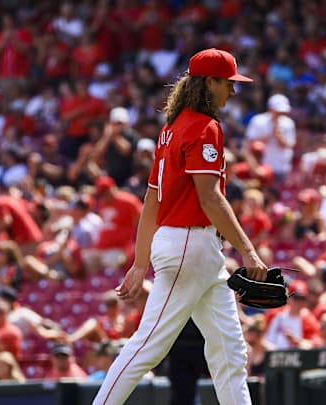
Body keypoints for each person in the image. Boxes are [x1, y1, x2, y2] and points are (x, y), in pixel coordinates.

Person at [91, 48, 267, 405]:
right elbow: (211, 198)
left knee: (229, 351)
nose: (233, 91)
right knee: (147, 347)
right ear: (209, 82)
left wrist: (141, 263)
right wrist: (248, 250)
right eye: (228, 83)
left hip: (194, 249)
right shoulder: (204, 127)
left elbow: (151, 201)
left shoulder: (171, 129)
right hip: (190, 242)